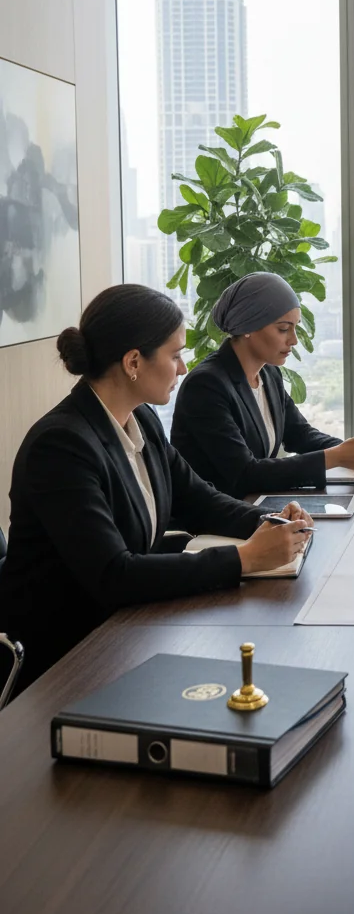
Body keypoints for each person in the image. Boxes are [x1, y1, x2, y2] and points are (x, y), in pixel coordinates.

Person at [0, 284, 312, 694]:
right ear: (133, 362)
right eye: (176, 354)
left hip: (127, 628)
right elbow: (114, 574)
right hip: (68, 655)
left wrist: (271, 521)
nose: (184, 368)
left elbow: (198, 499)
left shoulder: (141, 419)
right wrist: (245, 558)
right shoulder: (61, 446)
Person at [171, 272, 354, 497]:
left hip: (256, 506)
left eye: (295, 328)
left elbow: (299, 434)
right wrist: (336, 457)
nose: (294, 340)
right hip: (216, 521)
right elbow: (244, 473)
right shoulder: (206, 386)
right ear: (248, 327)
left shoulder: (269, 373)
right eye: (283, 329)